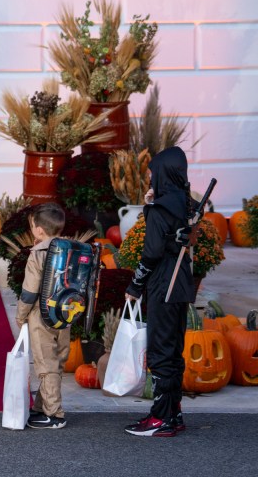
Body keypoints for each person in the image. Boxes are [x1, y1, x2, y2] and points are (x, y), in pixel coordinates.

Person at [123, 146, 195, 438]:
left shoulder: (160, 209)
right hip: (181, 286)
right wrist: (151, 204)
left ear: (164, 173)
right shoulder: (185, 204)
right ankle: (173, 413)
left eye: (153, 172)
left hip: (163, 285)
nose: (150, 176)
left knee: (161, 352)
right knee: (173, 351)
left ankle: (161, 418)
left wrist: (135, 286)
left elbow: (151, 253)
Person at [15, 202, 71, 429]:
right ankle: (41, 407)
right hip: (65, 314)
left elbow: (29, 292)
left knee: (45, 364)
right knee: (55, 362)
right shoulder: (70, 249)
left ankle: (54, 414)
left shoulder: (38, 254)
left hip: (41, 315)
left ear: (39, 230)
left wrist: (21, 316)